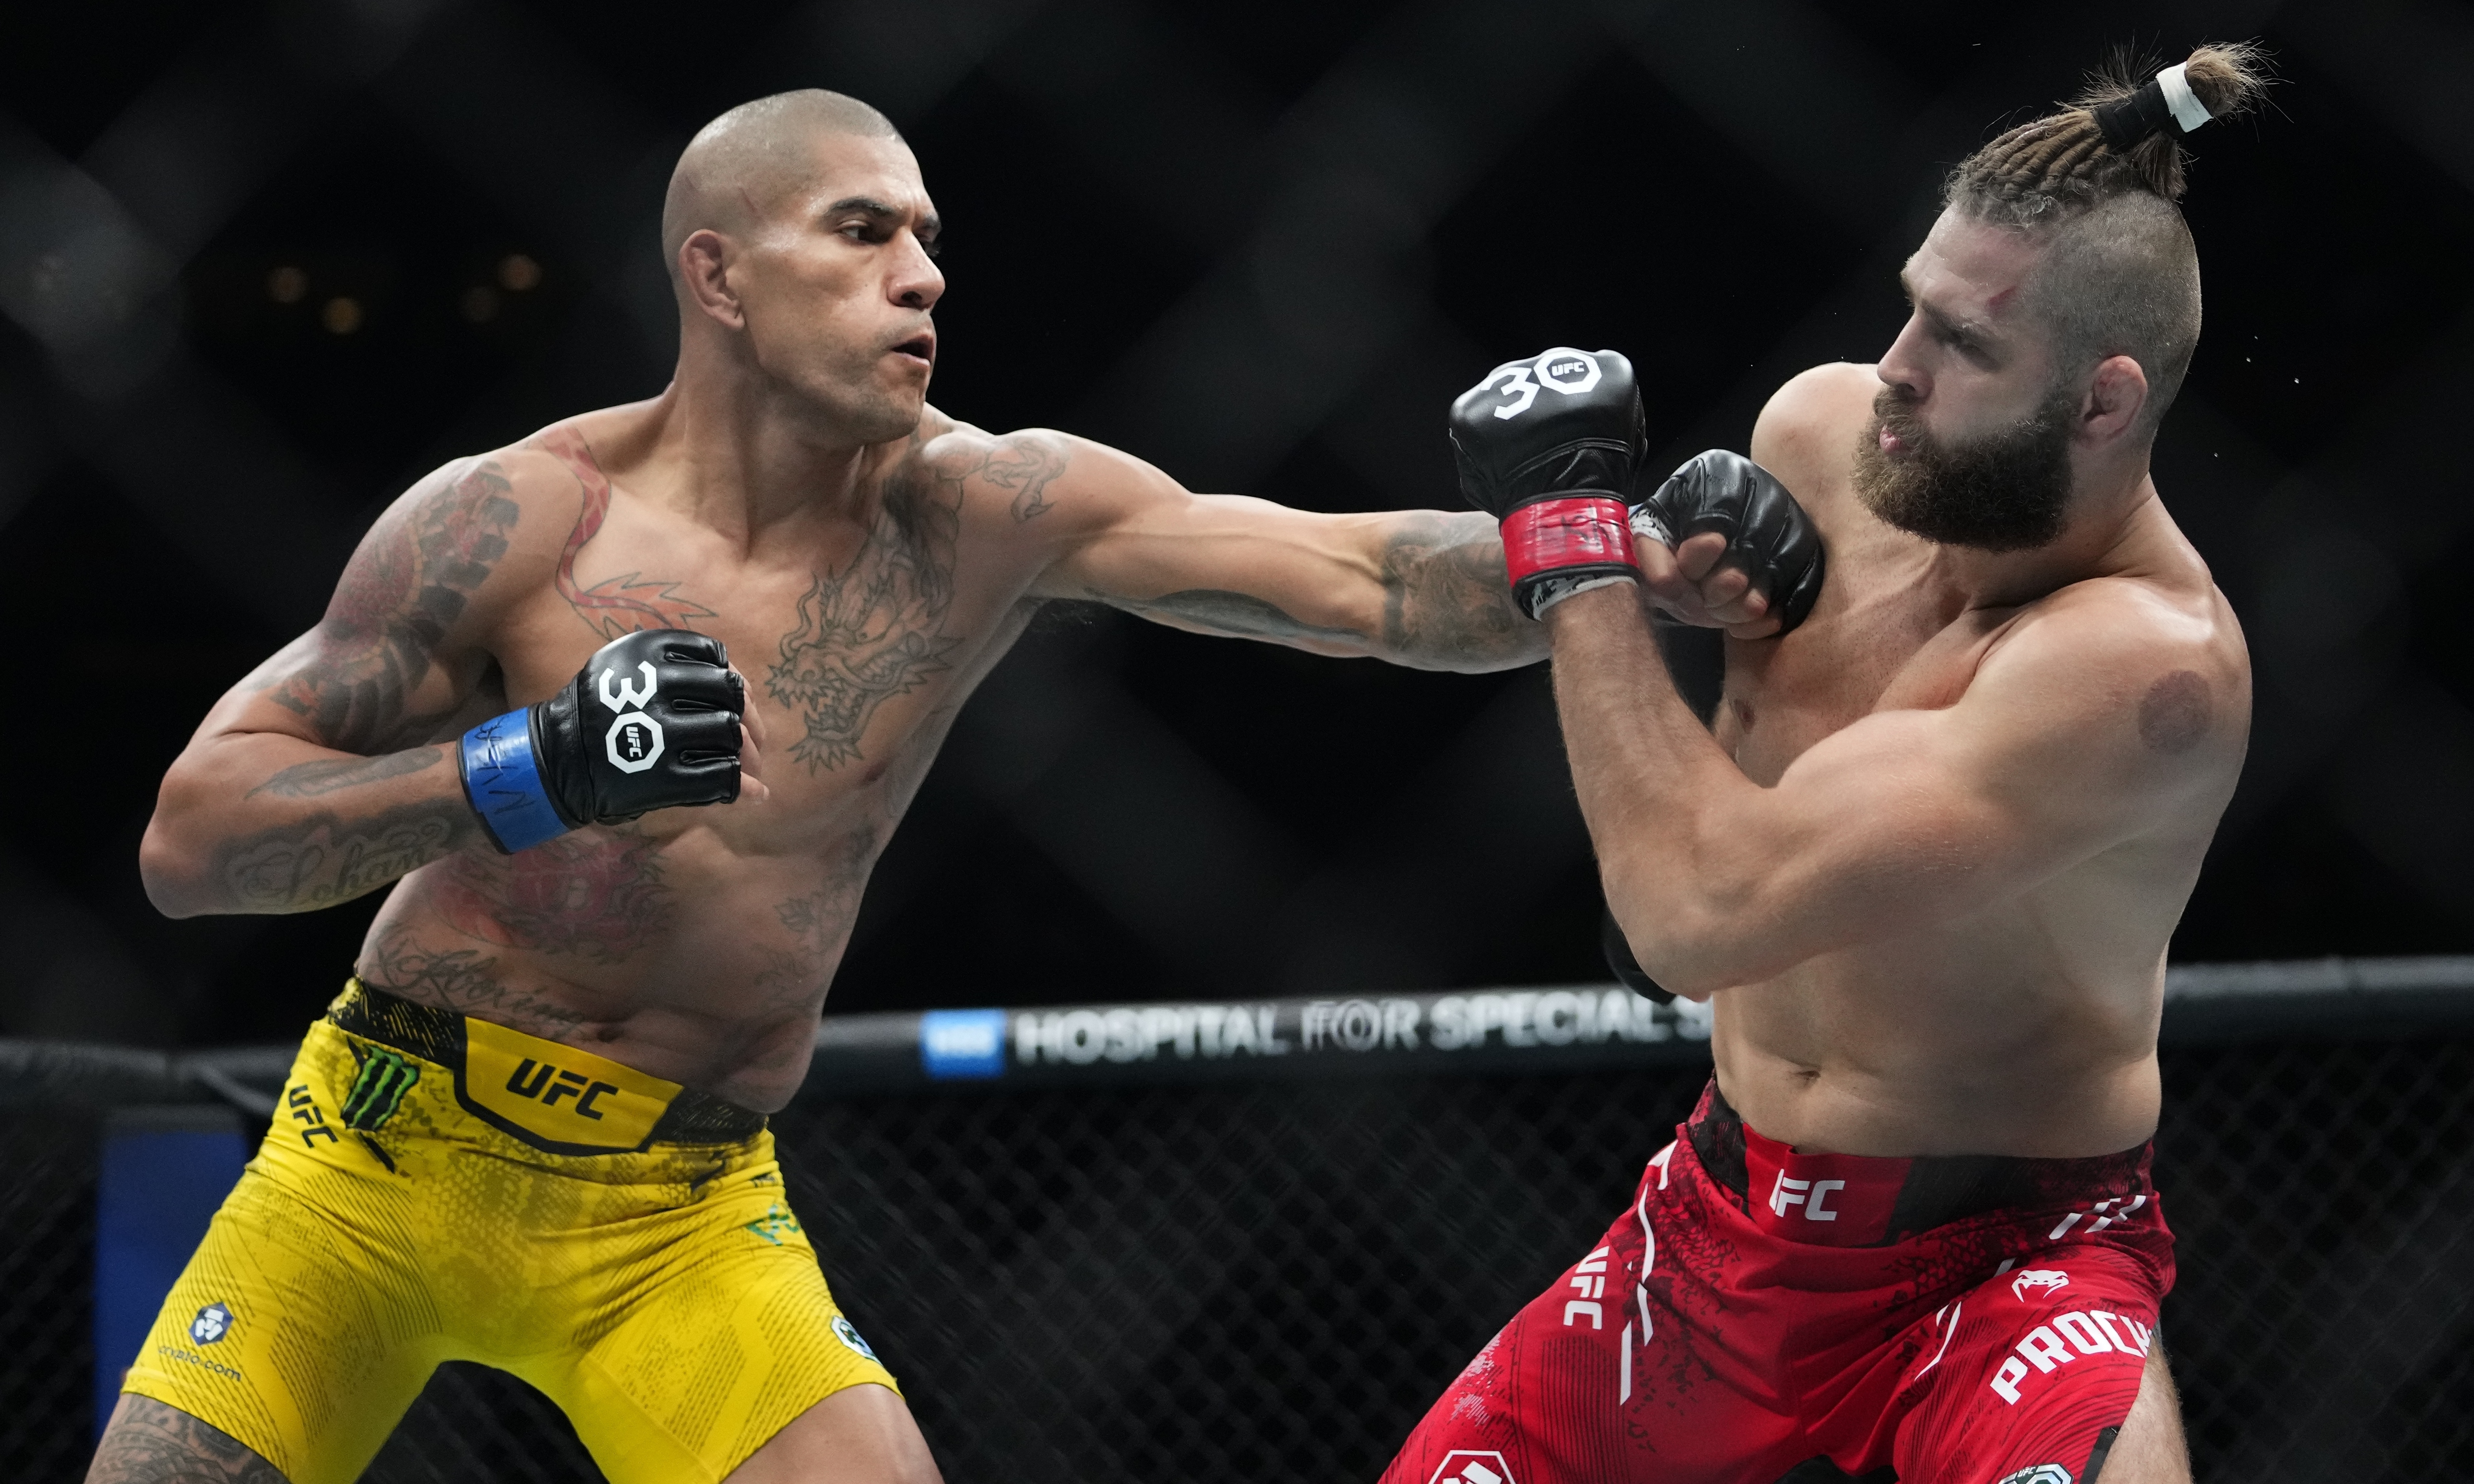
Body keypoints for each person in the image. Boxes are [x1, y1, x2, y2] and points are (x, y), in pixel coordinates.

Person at [95, 89, 1820, 1484]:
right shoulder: (516, 520)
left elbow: (1358, 579)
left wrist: (1605, 543)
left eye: (928, 241)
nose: (921, 278)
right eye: (863, 233)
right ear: (719, 276)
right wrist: (528, 769)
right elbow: (195, 841)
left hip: (675, 1211)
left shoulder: (984, 510)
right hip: (378, 1155)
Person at [1394, 43, 2270, 1484]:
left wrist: (1572, 546)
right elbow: (1726, 840)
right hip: (1714, 1224)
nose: (1896, 372)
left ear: (2103, 403)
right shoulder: (1825, 435)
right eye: (1910, 307)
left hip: (1997, 1270)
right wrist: (1699, 624)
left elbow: (1692, 916)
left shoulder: (2145, 669)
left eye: (1964, 345)